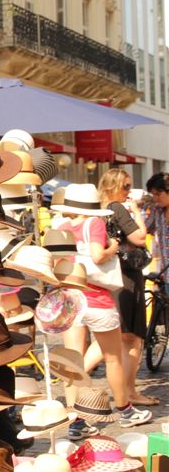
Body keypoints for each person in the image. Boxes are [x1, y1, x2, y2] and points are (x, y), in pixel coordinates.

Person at [55, 186, 151, 439]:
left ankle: (76, 421)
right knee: (112, 358)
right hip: (96, 296)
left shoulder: (62, 225)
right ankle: (126, 410)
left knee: (74, 362)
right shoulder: (94, 223)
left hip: (70, 298)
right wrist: (114, 247)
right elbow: (97, 256)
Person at [98, 168, 154, 406]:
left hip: (112, 275)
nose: (129, 191)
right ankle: (130, 392)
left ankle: (76, 376)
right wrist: (138, 212)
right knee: (130, 338)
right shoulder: (117, 208)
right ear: (115, 186)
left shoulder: (99, 209)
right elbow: (140, 238)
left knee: (117, 337)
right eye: (126, 186)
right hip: (128, 277)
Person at [148, 172, 169, 294]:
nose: (155, 198)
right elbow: (142, 230)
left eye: (158, 194)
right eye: (153, 194)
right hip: (165, 275)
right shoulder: (157, 211)